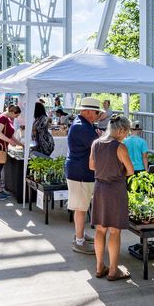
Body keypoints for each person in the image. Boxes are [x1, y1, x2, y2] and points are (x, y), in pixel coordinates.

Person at [89, 115, 134, 280]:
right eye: (126, 132)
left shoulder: (96, 143)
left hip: (100, 188)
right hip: (115, 190)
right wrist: (117, 171)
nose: (126, 135)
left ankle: (100, 267)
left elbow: (91, 166)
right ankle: (114, 271)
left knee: (100, 229)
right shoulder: (119, 147)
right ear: (121, 130)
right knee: (114, 231)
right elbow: (130, 170)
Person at [65, 97, 104, 254]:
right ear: (87, 111)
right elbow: (99, 145)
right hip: (80, 172)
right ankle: (79, 241)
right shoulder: (82, 127)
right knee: (81, 208)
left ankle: (79, 235)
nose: (98, 115)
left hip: (80, 171)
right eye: (96, 112)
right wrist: (101, 136)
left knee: (80, 207)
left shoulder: (83, 124)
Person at [0, 104, 22, 200]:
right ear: (12, 112)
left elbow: (11, 135)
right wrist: (9, 141)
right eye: (16, 115)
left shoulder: (7, 118)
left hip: (2, 146)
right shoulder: (3, 118)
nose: (16, 117)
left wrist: (21, 144)